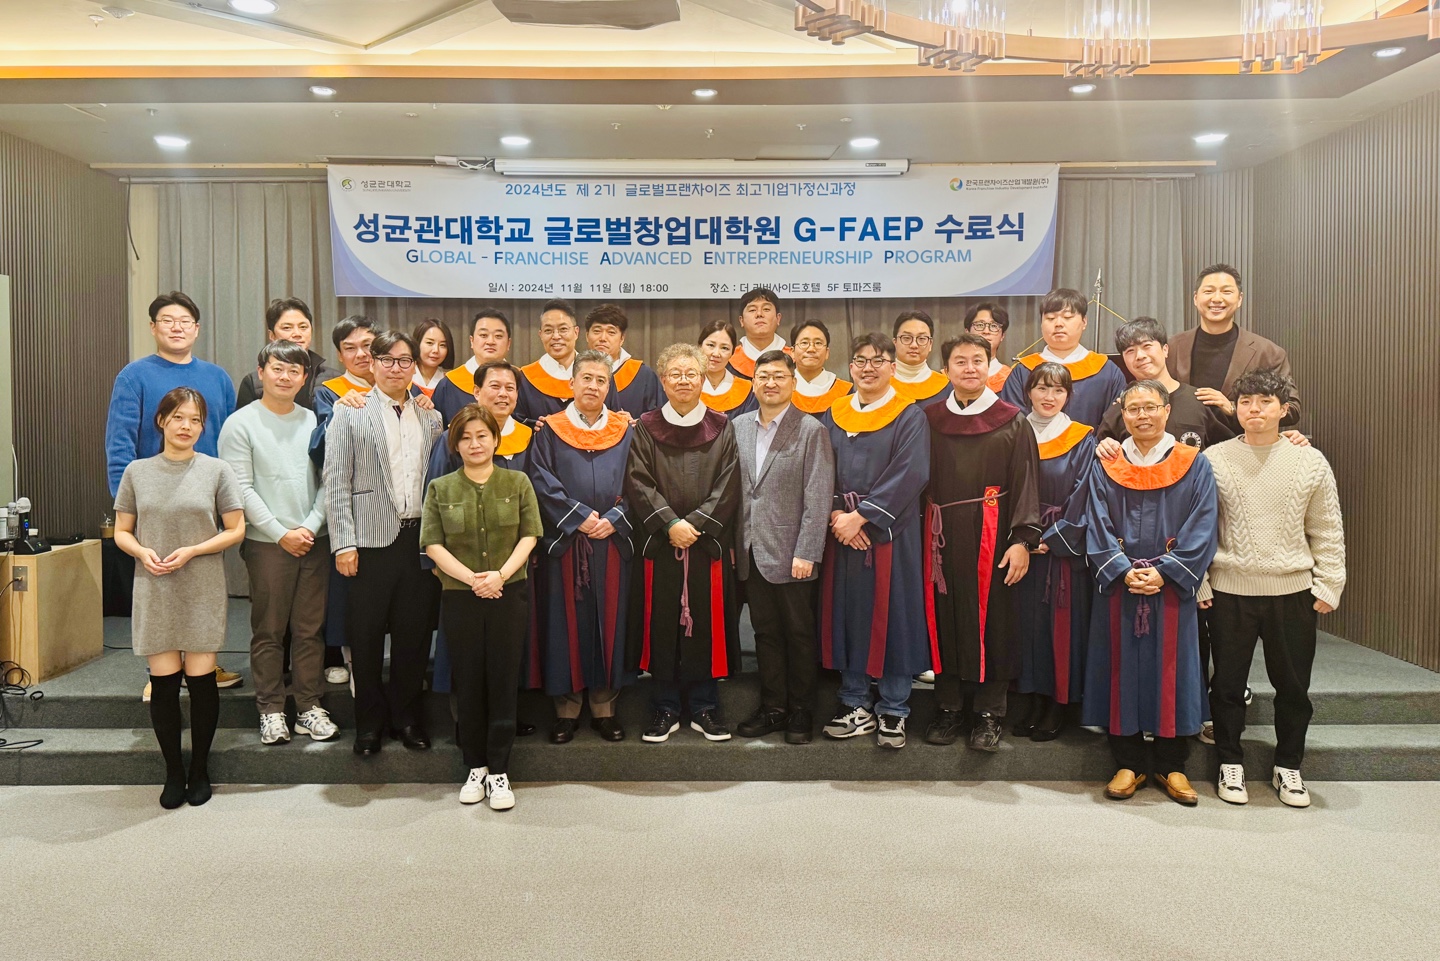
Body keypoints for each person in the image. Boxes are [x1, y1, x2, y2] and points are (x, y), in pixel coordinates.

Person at [1200, 368, 1345, 808]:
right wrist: (1199, 580)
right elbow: (1198, 528)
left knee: (1294, 688)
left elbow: (1326, 527)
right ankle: (1230, 762)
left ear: (1284, 410)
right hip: (1230, 590)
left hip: (1292, 592)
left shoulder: (1309, 461)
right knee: (1227, 685)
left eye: (1265, 402)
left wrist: (1330, 582)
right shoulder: (1213, 459)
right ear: (1235, 409)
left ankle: (1289, 766)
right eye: (1246, 402)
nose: (1255, 410)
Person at [1082, 380, 1218, 806]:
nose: (1142, 415)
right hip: (1120, 586)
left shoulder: (1193, 463)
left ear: (1166, 411)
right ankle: (1128, 763)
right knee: (1119, 669)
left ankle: (1172, 765)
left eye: (1150, 407)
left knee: (1173, 671)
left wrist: (1166, 573)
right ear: (1122, 415)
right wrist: (1122, 570)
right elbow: (1095, 520)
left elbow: (1204, 523)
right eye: (1133, 409)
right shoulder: (1108, 463)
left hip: (1171, 587)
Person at [113, 387, 245, 808]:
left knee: (203, 681)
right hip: (155, 583)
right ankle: (173, 771)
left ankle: (199, 768)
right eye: (178, 418)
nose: (186, 426)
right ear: (162, 421)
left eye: (195, 420)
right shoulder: (136, 471)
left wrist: (193, 549)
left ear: (203, 426)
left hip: (202, 582)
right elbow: (121, 531)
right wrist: (142, 552)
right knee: (164, 684)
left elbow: (236, 529)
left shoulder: (217, 470)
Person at [106, 291, 241, 698]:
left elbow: (228, 439)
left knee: (201, 588)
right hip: (154, 503)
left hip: (205, 499)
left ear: (197, 329)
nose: (177, 327)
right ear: (153, 327)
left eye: (185, 321)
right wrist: (129, 507)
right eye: (167, 320)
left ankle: (203, 664)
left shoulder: (217, 377)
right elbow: (119, 444)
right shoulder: (134, 376)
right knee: (160, 584)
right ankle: (160, 672)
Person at [323, 330, 444, 757]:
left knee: (414, 636)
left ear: (414, 366)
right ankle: (369, 725)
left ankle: (408, 719)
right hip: (369, 542)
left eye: (404, 360)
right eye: (387, 360)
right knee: (367, 636)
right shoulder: (349, 412)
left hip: (419, 540)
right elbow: (336, 481)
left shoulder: (431, 417)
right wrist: (343, 543)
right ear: (372, 364)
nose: (396, 368)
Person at [922, 334, 1041, 752]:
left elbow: (1027, 481)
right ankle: (949, 707)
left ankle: (990, 712)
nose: (970, 368)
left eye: (978, 360)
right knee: (944, 615)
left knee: (995, 620)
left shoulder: (1012, 420)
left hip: (993, 531)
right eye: (960, 361)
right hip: (938, 535)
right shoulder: (930, 418)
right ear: (945, 370)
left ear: (991, 367)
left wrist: (1022, 539)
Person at [218, 340, 339, 747]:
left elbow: (329, 480)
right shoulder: (240, 424)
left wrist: (310, 526)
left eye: (294, 371)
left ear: (304, 378)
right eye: (277, 368)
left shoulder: (315, 420)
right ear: (261, 373)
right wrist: (280, 532)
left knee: (310, 630)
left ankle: (308, 706)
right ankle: (270, 709)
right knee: (269, 630)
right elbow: (240, 488)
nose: (285, 377)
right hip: (267, 543)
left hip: (313, 539)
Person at [422, 404, 542, 810]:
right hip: (460, 596)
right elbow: (432, 544)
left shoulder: (518, 481)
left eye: (482, 436)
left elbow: (530, 535)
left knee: (503, 680)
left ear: (495, 440)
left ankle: (500, 771)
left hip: (509, 593)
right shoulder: (440, 488)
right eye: (466, 438)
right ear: (455, 445)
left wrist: (500, 576)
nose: (475, 444)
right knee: (468, 681)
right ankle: (475, 766)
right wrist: (473, 579)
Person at [818, 333, 930, 749]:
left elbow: (911, 472)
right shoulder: (835, 413)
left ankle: (894, 708)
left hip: (890, 534)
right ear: (850, 368)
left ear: (892, 367)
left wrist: (862, 517)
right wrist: (836, 514)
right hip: (842, 533)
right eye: (861, 361)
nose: (869, 368)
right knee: (849, 615)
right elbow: (822, 469)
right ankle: (854, 704)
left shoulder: (909, 416)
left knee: (894, 616)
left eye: (878, 360)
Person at [625, 343, 741, 744]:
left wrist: (695, 525)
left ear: (703, 378)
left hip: (706, 545)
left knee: (705, 625)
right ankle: (665, 707)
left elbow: (729, 482)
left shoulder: (721, 426)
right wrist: (670, 524)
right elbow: (638, 480)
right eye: (675, 373)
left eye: (691, 373)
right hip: (663, 545)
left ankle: (705, 707)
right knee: (663, 624)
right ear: (663, 380)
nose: (684, 380)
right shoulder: (646, 426)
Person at [528, 350, 637, 744]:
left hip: (611, 541)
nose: (593, 386)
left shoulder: (626, 431)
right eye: (586, 378)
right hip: (568, 543)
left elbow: (639, 480)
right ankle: (567, 710)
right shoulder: (549, 430)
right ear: (571, 383)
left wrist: (615, 518)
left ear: (610, 387)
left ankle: (605, 709)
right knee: (565, 624)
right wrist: (578, 518)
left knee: (610, 621)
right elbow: (540, 480)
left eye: (601, 380)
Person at [731, 349, 833, 744]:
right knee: (765, 634)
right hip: (751, 550)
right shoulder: (737, 427)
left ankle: (801, 710)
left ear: (793, 382)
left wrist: (807, 551)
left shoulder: (810, 430)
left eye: (778, 376)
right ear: (753, 382)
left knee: (799, 634)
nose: (770, 383)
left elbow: (818, 496)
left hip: (793, 554)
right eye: (763, 376)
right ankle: (773, 707)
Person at [1013, 362, 1095, 742]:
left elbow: (1084, 494)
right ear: (1028, 391)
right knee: (1025, 626)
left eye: (1058, 390)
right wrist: (1021, 537)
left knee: (1059, 626)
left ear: (1068, 396)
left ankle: (1058, 703)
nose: (1049, 397)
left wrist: (1053, 538)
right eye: (1042, 388)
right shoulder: (1013, 430)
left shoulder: (1081, 438)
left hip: (1060, 548)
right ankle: (1030, 697)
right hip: (1021, 547)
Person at [1167, 264, 1300, 427]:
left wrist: (1233, 407)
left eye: (1226, 291)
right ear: (1196, 298)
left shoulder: (1268, 352)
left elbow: (1292, 409)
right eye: (1208, 291)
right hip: (1183, 441)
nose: (1217, 298)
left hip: (1244, 441)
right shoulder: (1171, 347)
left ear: (1239, 299)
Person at [1096, 318, 1234, 454]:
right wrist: (1103, 447)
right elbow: (1101, 455)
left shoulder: (1201, 401)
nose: (1140, 356)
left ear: (1165, 350)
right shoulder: (1120, 410)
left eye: (1147, 346)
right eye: (1130, 351)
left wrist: (1232, 411)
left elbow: (1228, 453)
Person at [999, 288, 1128, 428]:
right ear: (1041, 323)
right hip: (1031, 443)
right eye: (1050, 318)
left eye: (1067, 317)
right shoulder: (1023, 371)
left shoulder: (1107, 371)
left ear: (1084, 322)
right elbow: (1012, 423)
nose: (1058, 324)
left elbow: (1116, 424)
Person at [236, 298, 335, 411]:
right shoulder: (253, 382)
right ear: (272, 335)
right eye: (287, 328)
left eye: (303, 327)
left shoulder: (333, 379)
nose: (297, 334)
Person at [309, 315, 377, 469]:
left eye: (367, 345)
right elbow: (319, 453)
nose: (361, 354)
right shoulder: (329, 394)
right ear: (340, 355)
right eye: (350, 348)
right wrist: (338, 412)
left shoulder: (403, 388)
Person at [433, 309, 514, 423]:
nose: (490, 341)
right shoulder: (449, 385)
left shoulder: (520, 382)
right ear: (472, 341)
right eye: (483, 335)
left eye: (498, 336)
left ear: (508, 343)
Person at [586, 303, 663, 418]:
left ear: (622, 339)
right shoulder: (575, 372)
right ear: (587, 336)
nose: (602, 338)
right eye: (597, 331)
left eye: (611, 332)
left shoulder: (643, 376)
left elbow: (659, 419)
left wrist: (636, 423)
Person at [516, 299, 579, 423]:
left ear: (576, 332)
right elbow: (518, 423)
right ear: (540, 335)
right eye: (548, 331)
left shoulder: (595, 374)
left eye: (563, 329)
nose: (556, 336)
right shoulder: (525, 379)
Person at [698, 320, 758, 420]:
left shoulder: (747, 391)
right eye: (711, 345)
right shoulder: (685, 387)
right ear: (700, 346)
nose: (716, 354)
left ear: (732, 353)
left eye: (724, 348)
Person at [789, 320, 852, 415]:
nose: (811, 349)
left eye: (818, 343)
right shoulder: (779, 389)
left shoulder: (846, 392)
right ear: (792, 352)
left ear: (827, 353)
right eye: (804, 343)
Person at [889, 309, 950, 406]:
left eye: (921, 338)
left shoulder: (947, 388)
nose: (914, 345)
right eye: (906, 338)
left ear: (930, 344)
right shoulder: (880, 384)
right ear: (895, 342)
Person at [727, 287, 788, 379]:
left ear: (778, 318)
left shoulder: (794, 359)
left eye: (766, 309)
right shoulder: (728, 360)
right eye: (752, 310)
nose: (759, 314)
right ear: (741, 320)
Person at [964, 302, 1012, 392]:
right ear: (967, 332)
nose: (986, 331)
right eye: (980, 325)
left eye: (994, 326)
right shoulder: (950, 376)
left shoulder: (1011, 379)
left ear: (1002, 336)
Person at [411, 318, 455, 397]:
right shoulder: (404, 378)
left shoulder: (450, 382)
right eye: (430, 343)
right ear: (417, 343)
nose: (436, 350)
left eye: (442, 345)